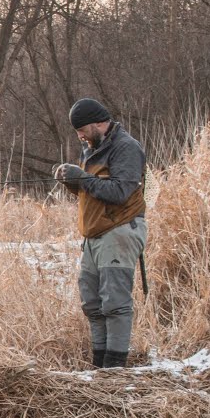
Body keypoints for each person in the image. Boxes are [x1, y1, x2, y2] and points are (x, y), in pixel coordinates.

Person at [53, 98, 147, 369]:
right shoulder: (91, 149)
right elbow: (93, 192)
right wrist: (71, 181)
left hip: (118, 231)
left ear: (98, 123)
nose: (80, 136)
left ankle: (114, 372)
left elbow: (119, 192)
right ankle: (98, 369)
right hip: (94, 236)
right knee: (92, 303)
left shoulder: (126, 147)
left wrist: (81, 178)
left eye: (82, 129)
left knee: (115, 303)